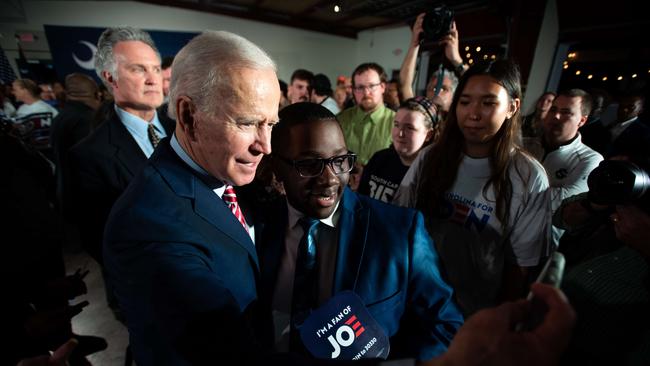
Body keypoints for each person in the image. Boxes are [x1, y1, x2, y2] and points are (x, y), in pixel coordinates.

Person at [261, 102, 463, 361]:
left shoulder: (399, 233)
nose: (330, 178)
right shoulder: (256, 224)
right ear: (276, 166)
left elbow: (447, 326)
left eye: (340, 160)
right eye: (310, 164)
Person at [394, 60, 550, 316]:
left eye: (488, 103)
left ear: (513, 107)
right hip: (410, 297)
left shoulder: (528, 177)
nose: (473, 114)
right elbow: (399, 221)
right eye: (465, 102)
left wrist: (497, 321)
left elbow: (520, 267)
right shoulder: (431, 157)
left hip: (470, 313)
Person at [68, 26, 174, 264]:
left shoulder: (184, 128)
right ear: (110, 77)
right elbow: (99, 238)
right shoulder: (89, 155)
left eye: (156, 69)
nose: (152, 79)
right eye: (138, 69)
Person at [525, 89, 603, 247]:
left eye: (566, 112)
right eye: (553, 109)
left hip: (539, 243)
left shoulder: (591, 159)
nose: (556, 116)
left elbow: (563, 203)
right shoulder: (524, 145)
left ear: (582, 120)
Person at [358, 97, 437, 203]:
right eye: (396, 125)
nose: (400, 134)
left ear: (428, 134)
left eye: (409, 128)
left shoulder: (431, 174)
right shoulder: (380, 159)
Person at [49, 73, 101, 214]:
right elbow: (93, 163)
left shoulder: (60, 116)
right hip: (86, 201)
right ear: (96, 94)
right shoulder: (87, 119)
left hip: (65, 192)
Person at [338, 63, 395, 189]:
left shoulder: (396, 122)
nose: (366, 92)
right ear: (353, 90)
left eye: (371, 86)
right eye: (360, 87)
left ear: (382, 87)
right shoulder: (340, 120)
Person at [399, 13, 464, 118]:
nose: (436, 93)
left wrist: (456, 60)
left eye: (443, 89)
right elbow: (404, 85)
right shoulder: (421, 117)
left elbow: (481, 87)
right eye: (432, 89)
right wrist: (415, 43)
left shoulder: (461, 120)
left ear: (454, 95)